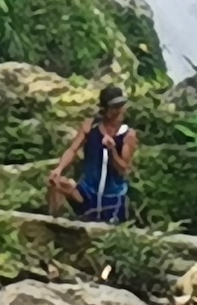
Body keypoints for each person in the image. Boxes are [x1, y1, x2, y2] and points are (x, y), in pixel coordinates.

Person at [48, 85, 139, 224]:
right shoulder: (90, 127)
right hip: (87, 192)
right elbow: (73, 150)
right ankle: (56, 224)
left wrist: (112, 151)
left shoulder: (128, 135)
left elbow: (124, 169)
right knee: (56, 183)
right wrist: (59, 169)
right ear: (104, 109)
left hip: (112, 198)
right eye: (114, 106)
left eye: (121, 105)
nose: (118, 110)